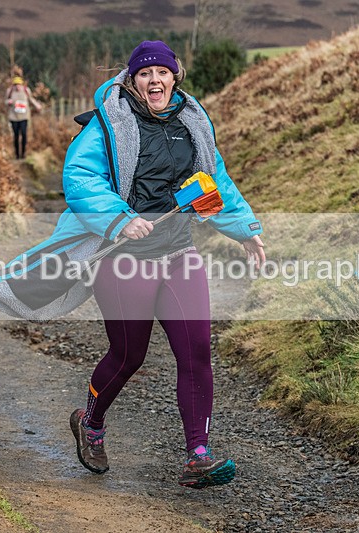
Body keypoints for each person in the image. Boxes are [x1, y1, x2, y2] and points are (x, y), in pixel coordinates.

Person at [63, 40, 266, 489]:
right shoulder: (109, 123)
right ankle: (90, 422)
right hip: (123, 258)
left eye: (162, 72)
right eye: (144, 74)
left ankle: (198, 455)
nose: (154, 80)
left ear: (176, 76)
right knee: (128, 355)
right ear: (132, 80)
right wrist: (120, 220)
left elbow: (215, 180)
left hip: (178, 254)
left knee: (195, 354)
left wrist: (244, 228)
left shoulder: (191, 121)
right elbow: (79, 178)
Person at [5, 76, 42, 159]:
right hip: (13, 117)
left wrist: (37, 105)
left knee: (24, 134)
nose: (17, 87)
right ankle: (17, 155)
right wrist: (9, 102)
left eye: (19, 85)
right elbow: (6, 101)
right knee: (16, 135)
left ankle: (23, 153)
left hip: (24, 116)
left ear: (22, 85)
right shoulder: (10, 91)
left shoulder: (26, 90)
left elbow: (31, 99)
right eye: (16, 85)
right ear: (13, 85)